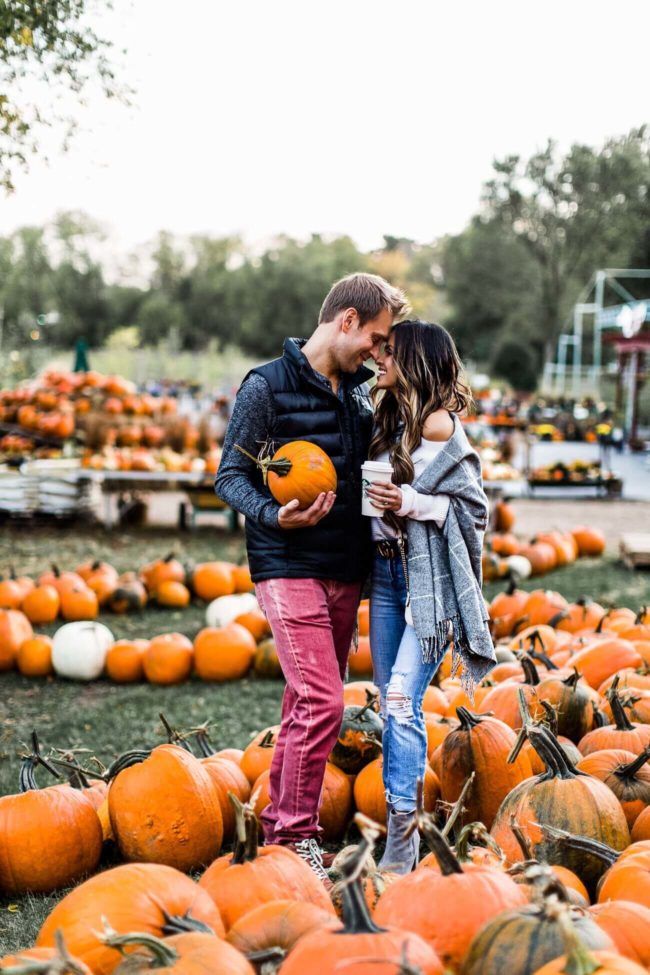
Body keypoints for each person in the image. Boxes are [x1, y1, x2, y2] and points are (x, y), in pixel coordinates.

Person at [215, 272, 407, 883]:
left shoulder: (360, 390)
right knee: (325, 701)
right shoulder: (264, 387)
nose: (378, 353)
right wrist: (275, 513)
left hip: (345, 568)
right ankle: (293, 835)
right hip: (287, 563)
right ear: (346, 320)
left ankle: (280, 834)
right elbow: (227, 476)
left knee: (306, 699)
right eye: (375, 338)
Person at [364, 320, 496, 873]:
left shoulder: (441, 427)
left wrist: (407, 502)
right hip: (387, 576)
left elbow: (470, 514)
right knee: (389, 698)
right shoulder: (392, 417)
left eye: (389, 352)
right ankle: (403, 827)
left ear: (414, 362)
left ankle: (402, 840)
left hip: (427, 590)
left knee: (399, 701)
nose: (379, 358)